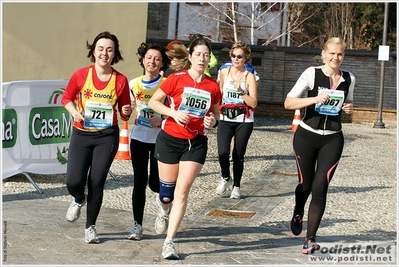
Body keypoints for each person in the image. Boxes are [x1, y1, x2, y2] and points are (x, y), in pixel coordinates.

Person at [148, 36, 222, 260]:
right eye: (198, 54)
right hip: (170, 139)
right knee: (167, 195)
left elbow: (217, 113)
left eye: (206, 55)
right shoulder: (175, 79)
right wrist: (173, 113)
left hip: (196, 142)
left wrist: (214, 122)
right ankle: (163, 211)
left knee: (183, 190)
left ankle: (169, 242)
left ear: (209, 60)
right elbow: (154, 102)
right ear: (190, 57)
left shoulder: (213, 86)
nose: (202, 58)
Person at [284, 37, 355, 254]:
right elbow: (288, 102)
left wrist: (349, 109)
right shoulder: (311, 74)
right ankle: (298, 210)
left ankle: (310, 239)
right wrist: (314, 100)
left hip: (333, 138)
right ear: (324, 53)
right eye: (332, 53)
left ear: (343, 56)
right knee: (305, 185)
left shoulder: (349, 78)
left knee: (320, 186)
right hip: (307, 135)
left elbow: (349, 102)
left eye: (340, 54)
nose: (336, 58)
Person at [61, 31, 132, 244]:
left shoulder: (120, 80)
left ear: (114, 54)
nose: (104, 53)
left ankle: (90, 227)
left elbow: (124, 111)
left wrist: (127, 111)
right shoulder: (81, 75)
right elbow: (66, 98)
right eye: (101, 48)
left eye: (109, 49)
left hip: (106, 136)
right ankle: (78, 198)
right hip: (82, 134)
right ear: (93, 51)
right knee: (73, 181)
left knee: (97, 181)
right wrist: (74, 112)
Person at [127, 42, 170, 240]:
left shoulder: (167, 84)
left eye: (157, 59)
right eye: (149, 58)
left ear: (162, 64)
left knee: (155, 183)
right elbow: (126, 110)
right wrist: (126, 110)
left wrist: (161, 120)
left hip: (160, 139)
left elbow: (175, 111)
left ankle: (164, 208)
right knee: (139, 181)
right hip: (138, 137)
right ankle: (137, 225)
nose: (152, 61)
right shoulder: (133, 83)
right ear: (143, 60)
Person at [215, 41, 258, 199]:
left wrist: (241, 92)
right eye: (233, 56)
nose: (236, 59)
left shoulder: (249, 76)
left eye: (239, 56)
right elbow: (218, 94)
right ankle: (226, 177)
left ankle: (237, 186)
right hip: (226, 117)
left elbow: (253, 102)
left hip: (244, 120)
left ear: (246, 58)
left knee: (238, 154)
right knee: (222, 152)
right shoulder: (224, 73)